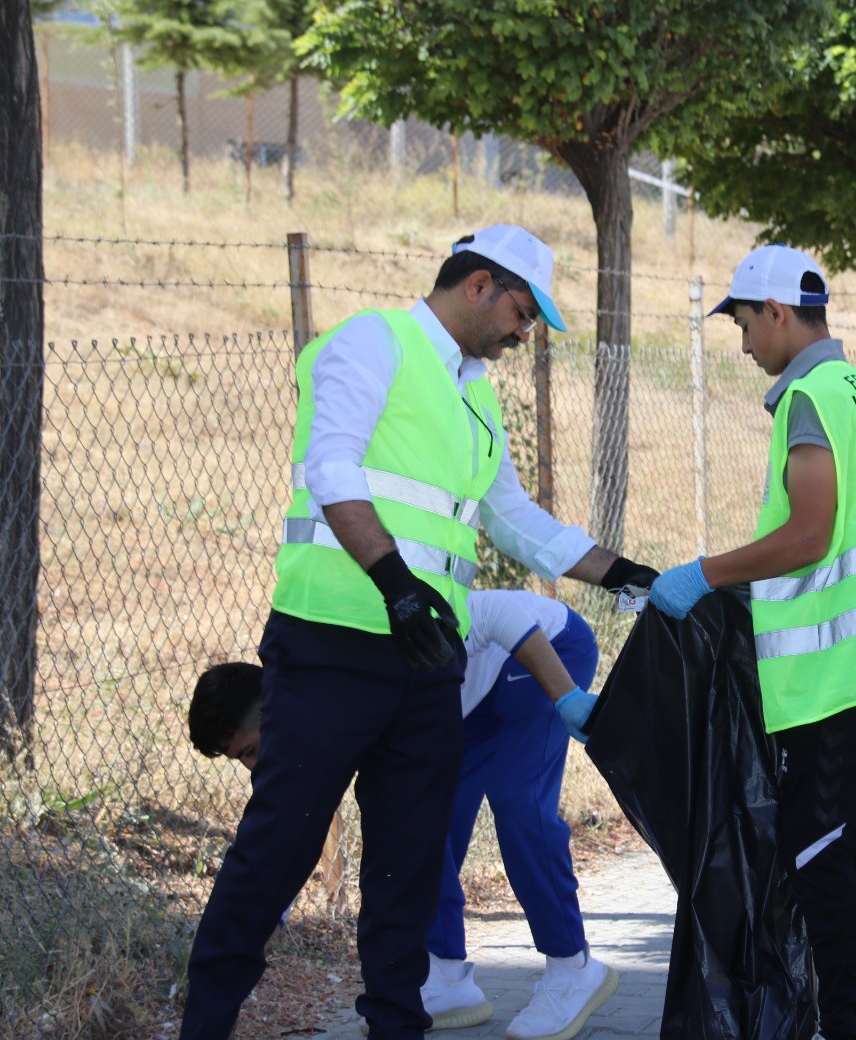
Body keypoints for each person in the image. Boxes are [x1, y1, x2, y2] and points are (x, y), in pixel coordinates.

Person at [180, 225, 656, 1040]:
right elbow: (330, 467)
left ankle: (397, 1027)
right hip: (332, 644)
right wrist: (395, 585)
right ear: (477, 284)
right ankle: (205, 1024)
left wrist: (630, 576)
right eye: (520, 310)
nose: (523, 331)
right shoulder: (374, 342)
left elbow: (513, 519)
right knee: (278, 852)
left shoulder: (475, 395)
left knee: (407, 868)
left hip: (422, 663)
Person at [648, 245, 856, 1040]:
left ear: (775, 312)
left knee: (818, 854)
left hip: (831, 678)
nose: (740, 343)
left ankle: (853, 1026)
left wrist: (704, 572)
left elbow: (809, 535)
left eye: (742, 322)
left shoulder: (809, 395)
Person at [188, 589, 616, 1040]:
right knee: (428, 816)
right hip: (467, 697)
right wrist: (269, 917)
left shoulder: (340, 688)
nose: (253, 766)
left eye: (251, 750)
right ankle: (446, 975)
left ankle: (574, 967)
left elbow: (496, 611)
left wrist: (566, 695)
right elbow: (292, 829)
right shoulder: (310, 719)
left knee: (517, 798)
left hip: (540, 648)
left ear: (273, 711)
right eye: (241, 760)